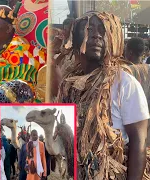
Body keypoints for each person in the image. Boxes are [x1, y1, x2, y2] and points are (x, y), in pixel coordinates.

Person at [56, 11, 149, 179]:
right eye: (89, 29)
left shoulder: (124, 83)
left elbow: (138, 143)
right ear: (75, 39)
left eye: (103, 30)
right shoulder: (68, 84)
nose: (96, 36)